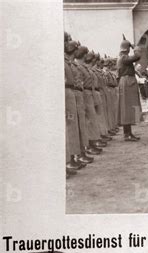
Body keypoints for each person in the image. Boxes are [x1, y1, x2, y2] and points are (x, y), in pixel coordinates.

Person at [64, 37, 84, 177]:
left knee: (73, 126)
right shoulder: (64, 62)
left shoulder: (69, 63)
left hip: (71, 94)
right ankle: (69, 160)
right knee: (70, 126)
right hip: (66, 94)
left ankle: (71, 158)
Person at [117, 34, 142, 141]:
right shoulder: (124, 58)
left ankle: (128, 133)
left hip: (126, 82)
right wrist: (135, 47)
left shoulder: (122, 57)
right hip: (127, 82)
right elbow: (137, 57)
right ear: (127, 49)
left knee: (127, 109)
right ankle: (127, 134)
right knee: (128, 108)